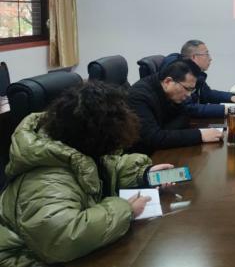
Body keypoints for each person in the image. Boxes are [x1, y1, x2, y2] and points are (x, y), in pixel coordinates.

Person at [0, 82, 175, 266]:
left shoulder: (74, 145)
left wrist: (143, 173)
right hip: (25, 259)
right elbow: (63, 239)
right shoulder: (46, 180)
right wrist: (126, 210)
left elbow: (105, 169)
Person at [128, 60, 223, 154]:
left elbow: (185, 116)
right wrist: (200, 135)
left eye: (191, 90)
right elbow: (154, 138)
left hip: (162, 150)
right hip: (142, 157)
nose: (189, 95)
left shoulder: (170, 93)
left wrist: (166, 133)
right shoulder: (138, 96)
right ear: (168, 81)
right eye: (187, 89)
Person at [161, 39, 235, 118]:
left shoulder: (194, 73)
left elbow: (206, 93)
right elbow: (189, 108)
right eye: (206, 54)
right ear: (194, 57)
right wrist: (227, 109)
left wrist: (230, 97)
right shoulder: (179, 72)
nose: (210, 59)